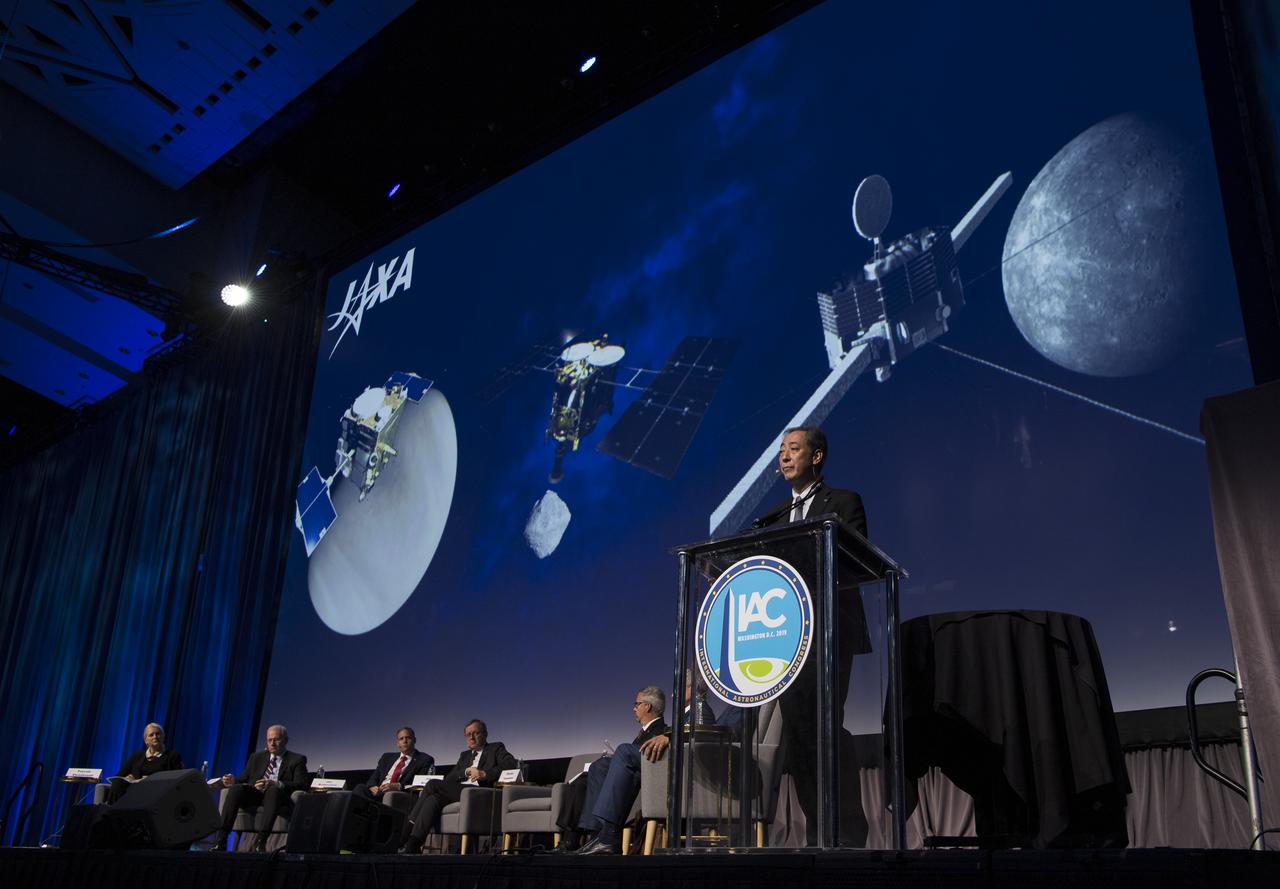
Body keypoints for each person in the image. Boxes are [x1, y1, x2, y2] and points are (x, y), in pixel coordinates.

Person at [756, 425, 869, 846]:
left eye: (794, 449)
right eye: (781, 450)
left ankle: (848, 833)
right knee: (801, 738)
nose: (784, 457)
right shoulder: (773, 519)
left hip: (830, 631)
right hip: (786, 639)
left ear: (816, 457)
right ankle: (819, 832)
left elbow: (856, 558)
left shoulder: (843, 501)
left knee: (826, 728)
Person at [570, 686, 670, 855]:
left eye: (637, 704)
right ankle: (597, 835)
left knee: (624, 750)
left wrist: (668, 737)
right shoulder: (643, 732)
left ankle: (609, 836)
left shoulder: (664, 729)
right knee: (599, 766)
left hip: (657, 770)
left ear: (648, 707)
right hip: (641, 767)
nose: (634, 708)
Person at [397, 719, 519, 854]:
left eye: (476, 733)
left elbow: (511, 764)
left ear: (484, 734)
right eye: (468, 734)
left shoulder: (495, 748)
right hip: (460, 792)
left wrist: (485, 773)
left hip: (480, 793)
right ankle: (413, 845)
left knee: (432, 785)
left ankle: (404, 835)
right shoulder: (464, 755)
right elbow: (450, 779)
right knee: (434, 800)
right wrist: (466, 771)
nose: (471, 737)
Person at [213, 724, 309, 852]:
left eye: (276, 739)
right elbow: (243, 780)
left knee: (273, 791)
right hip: (256, 794)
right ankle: (221, 840)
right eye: (269, 740)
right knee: (236, 789)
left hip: (277, 796)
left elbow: (302, 784)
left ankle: (261, 841)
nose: (272, 743)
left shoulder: (297, 759)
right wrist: (233, 780)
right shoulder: (256, 757)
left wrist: (276, 783)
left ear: (285, 741)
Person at [105, 722, 183, 803]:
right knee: (117, 783)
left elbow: (177, 780)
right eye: (151, 735)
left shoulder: (172, 756)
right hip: (134, 788)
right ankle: (112, 812)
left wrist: (151, 780)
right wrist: (128, 778)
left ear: (163, 737)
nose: (155, 737)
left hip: (156, 790)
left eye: (158, 734)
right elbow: (119, 775)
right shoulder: (137, 756)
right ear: (146, 741)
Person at [352, 726, 435, 800]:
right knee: (360, 788)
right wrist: (372, 786)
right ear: (397, 743)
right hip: (378, 791)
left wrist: (399, 786)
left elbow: (420, 784)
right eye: (401, 739)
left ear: (414, 740)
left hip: (397, 794)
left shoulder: (424, 759)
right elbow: (374, 777)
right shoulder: (386, 757)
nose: (405, 741)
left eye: (408, 738)